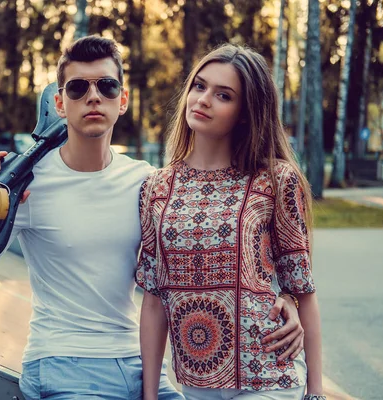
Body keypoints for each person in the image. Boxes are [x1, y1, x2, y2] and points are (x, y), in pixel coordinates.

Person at [0, 36, 304, 400]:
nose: (93, 97)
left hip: (136, 365)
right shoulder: (27, 186)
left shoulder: (146, 181)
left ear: (123, 100)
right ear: (59, 103)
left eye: (106, 85)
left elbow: (217, 249)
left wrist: (287, 298)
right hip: (63, 365)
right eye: (77, 88)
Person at [136, 44, 324, 400]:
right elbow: (153, 299)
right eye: (199, 86)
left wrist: (315, 392)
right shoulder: (156, 187)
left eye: (223, 95)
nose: (203, 99)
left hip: (269, 374)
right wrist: (150, 395)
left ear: (244, 113)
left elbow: (303, 289)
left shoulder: (274, 179)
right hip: (196, 381)